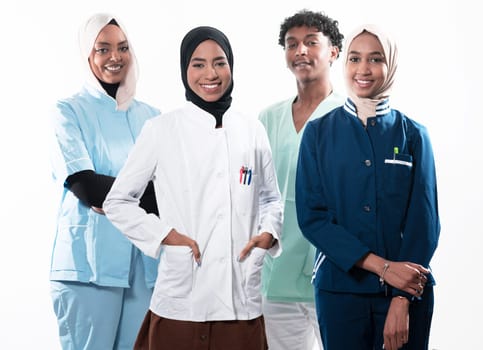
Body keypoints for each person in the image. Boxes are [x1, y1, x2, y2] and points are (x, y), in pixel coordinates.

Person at [103, 25, 283, 350]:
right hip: (181, 301)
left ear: (232, 65)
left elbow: (271, 199)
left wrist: (267, 235)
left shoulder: (252, 130)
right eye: (198, 64)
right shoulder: (161, 130)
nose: (210, 73)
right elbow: (118, 201)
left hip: (240, 302)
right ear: (184, 69)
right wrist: (164, 235)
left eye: (220, 62)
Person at [295, 24, 440, 350]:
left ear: (391, 65)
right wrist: (382, 268)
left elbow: (424, 222)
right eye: (355, 58)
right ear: (343, 64)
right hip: (339, 289)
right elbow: (312, 218)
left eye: (375, 59)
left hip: (407, 292)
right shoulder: (318, 133)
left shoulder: (413, 135)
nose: (363, 69)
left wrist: (402, 297)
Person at [49, 13, 160, 350]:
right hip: (88, 269)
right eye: (103, 49)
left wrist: (116, 196)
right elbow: (86, 185)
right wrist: (143, 194)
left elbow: (173, 190)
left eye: (123, 47)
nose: (115, 57)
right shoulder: (69, 111)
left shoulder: (151, 117)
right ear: (88, 55)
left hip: (144, 269)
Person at [258, 9, 344, 350]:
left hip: (334, 271)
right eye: (292, 44)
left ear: (334, 51)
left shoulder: (348, 116)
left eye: (311, 42)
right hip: (277, 273)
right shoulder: (267, 118)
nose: (301, 51)